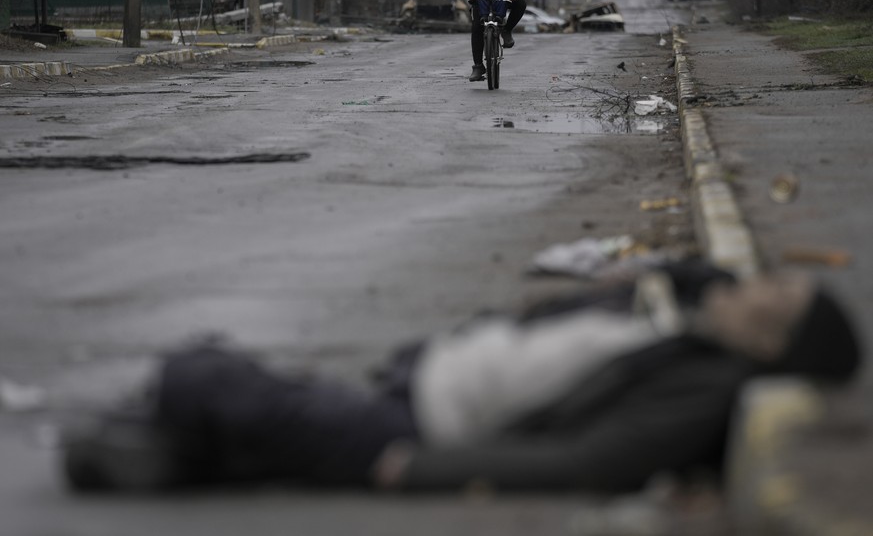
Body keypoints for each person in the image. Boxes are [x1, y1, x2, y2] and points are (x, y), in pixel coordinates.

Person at [61, 263, 861, 493]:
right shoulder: (693, 330)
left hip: (416, 428)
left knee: (203, 371)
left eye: (774, 294)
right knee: (266, 422)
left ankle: (160, 438)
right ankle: (156, 454)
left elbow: (589, 461)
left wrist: (422, 469)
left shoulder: (704, 384)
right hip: (416, 387)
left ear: (771, 338)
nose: (754, 283)